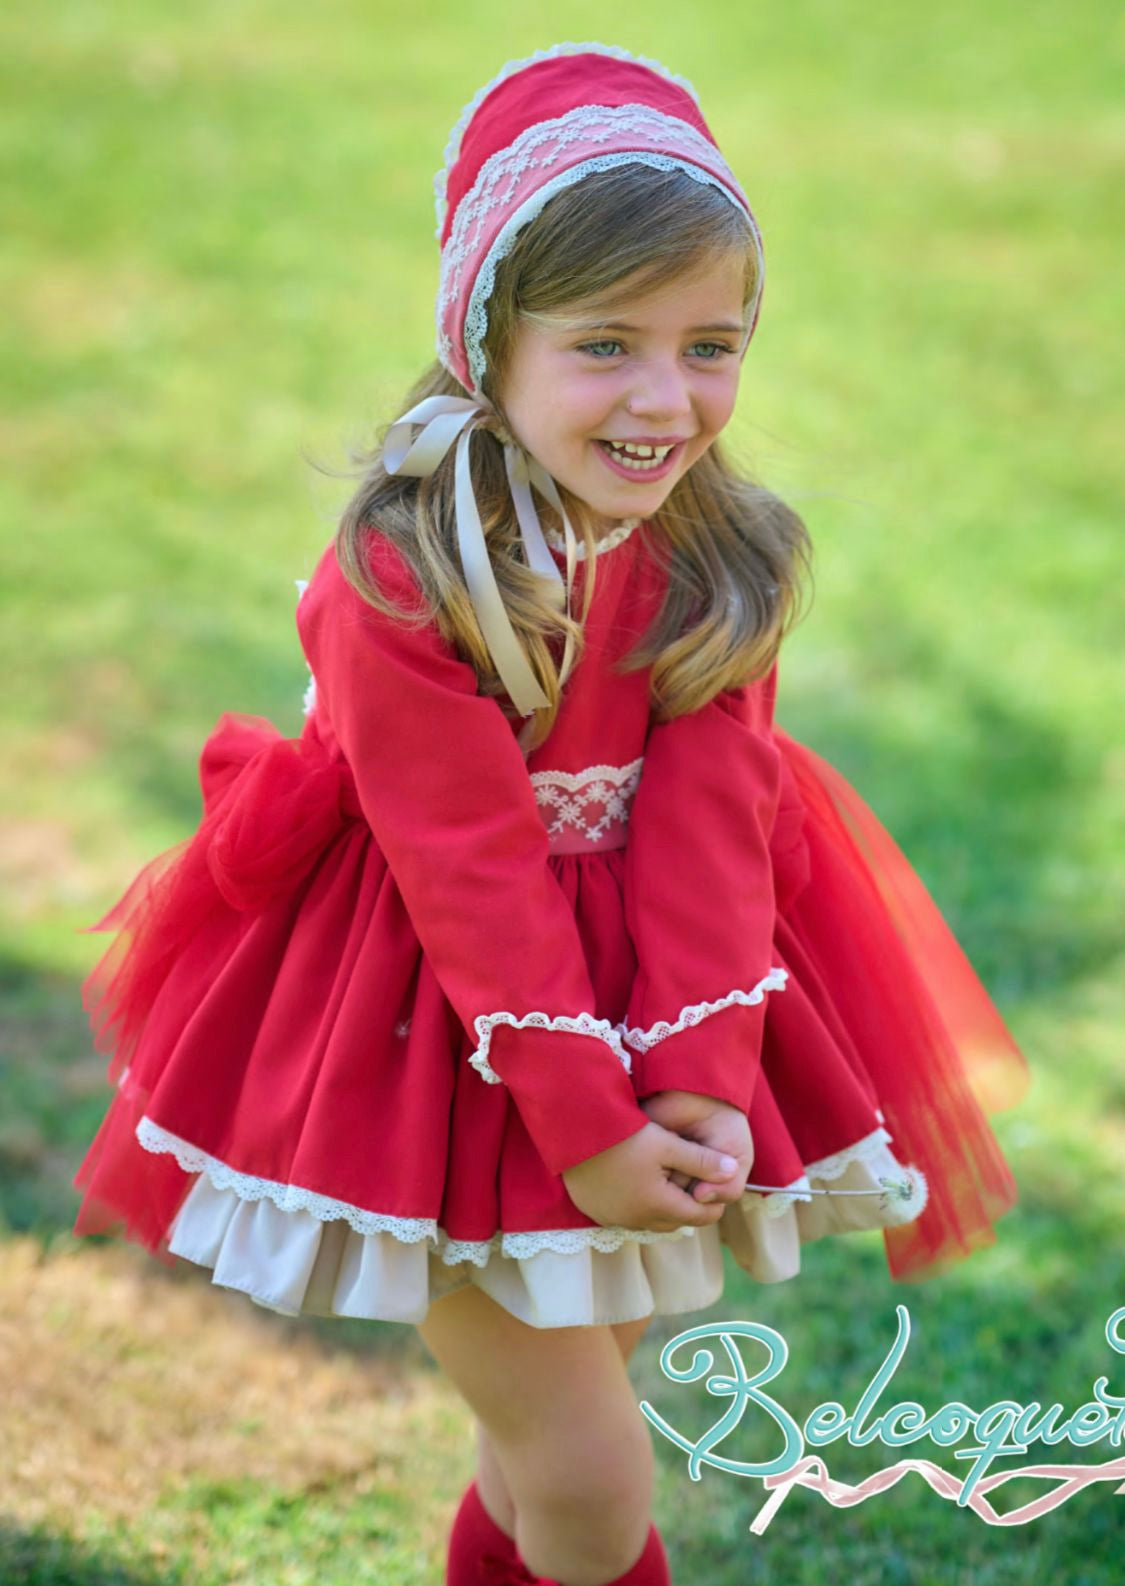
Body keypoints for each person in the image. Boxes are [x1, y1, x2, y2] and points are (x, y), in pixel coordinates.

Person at [71, 43, 1031, 1586]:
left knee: (535, 1461)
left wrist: (700, 1076)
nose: (666, 400)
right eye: (605, 345)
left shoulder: (715, 559)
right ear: (484, 343)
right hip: (426, 1024)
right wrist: (580, 1123)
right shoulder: (408, 571)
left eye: (710, 344)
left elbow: (715, 824)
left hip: (643, 995)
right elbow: (468, 869)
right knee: (588, 1477)